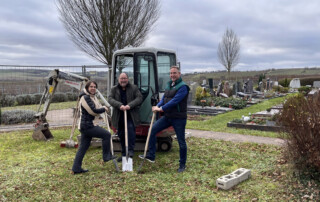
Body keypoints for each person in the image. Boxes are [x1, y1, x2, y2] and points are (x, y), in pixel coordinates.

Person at [139, 66, 190, 173]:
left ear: (179, 74)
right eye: (171, 73)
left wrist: (161, 109)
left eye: (174, 73)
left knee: (181, 141)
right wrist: (157, 106)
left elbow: (174, 101)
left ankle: (182, 165)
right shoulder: (169, 85)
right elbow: (164, 99)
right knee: (151, 130)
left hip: (179, 118)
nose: (172, 75)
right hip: (168, 117)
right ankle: (151, 155)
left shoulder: (183, 87)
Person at [72, 81, 115, 174]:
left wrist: (104, 107)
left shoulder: (93, 97)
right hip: (87, 126)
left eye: (95, 87)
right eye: (91, 87)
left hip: (88, 125)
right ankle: (106, 156)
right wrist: (103, 109)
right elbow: (93, 111)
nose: (93, 88)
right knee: (107, 135)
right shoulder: (85, 97)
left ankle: (76, 168)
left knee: (83, 147)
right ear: (87, 88)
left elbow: (99, 106)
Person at [108, 72, 143, 161]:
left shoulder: (134, 88)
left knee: (130, 132)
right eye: (121, 78)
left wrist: (129, 105)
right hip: (119, 116)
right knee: (122, 135)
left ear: (128, 79)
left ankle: (130, 152)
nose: (123, 80)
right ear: (118, 80)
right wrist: (119, 105)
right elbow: (110, 99)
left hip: (131, 115)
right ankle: (124, 154)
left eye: (125, 78)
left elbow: (139, 98)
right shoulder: (114, 89)